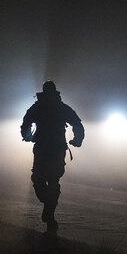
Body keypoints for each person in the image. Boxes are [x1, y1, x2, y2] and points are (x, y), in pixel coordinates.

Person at [20, 81, 84, 232]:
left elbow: (25, 125)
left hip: (48, 150)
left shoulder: (39, 108)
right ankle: (49, 209)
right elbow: (77, 124)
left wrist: (27, 136)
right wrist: (77, 140)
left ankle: (49, 214)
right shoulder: (58, 108)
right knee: (46, 181)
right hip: (51, 150)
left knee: (44, 180)